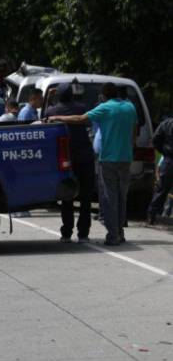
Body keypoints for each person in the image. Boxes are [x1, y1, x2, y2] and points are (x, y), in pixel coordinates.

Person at [49, 82, 137, 245]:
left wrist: (57, 117)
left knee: (108, 198)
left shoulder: (104, 108)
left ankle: (111, 236)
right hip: (125, 158)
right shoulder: (130, 107)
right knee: (120, 197)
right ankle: (118, 232)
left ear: (103, 96)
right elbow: (134, 131)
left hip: (106, 158)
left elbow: (80, 119)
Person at [45, 83, 94, 242]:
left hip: (66, 159)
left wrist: (50, 98)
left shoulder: (52, 111)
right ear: (72, 94)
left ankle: (66, 232)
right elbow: (88, 123)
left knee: (67, 196)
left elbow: (44, 118)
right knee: (85, 197)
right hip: (85, 156)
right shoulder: (81, 109)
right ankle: (84, 233)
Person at [147, 114, 173, 225]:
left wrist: (164, 151)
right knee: (161, 189)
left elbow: (155, 139)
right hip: (169, 157)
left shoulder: (166, 123)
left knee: (161, 189)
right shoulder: (167, 123)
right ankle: (152, 214)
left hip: (169, 159)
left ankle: (151, 215)